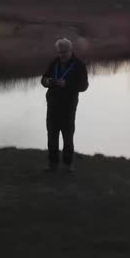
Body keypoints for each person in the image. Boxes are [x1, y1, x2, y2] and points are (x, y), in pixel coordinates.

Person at [40, 38, 89, 171]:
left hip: (68, 107)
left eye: (64, 52)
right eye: (59, 52)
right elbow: (43, 79)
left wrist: (67, 84)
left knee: (67, 138)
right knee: (52, 137)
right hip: (52, 106)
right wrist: (48, 81)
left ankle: (68, 165)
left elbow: (84, 86)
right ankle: (52, 165)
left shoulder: (79, 65)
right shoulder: (54, 62)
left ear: (70, 50)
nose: (61, 55)